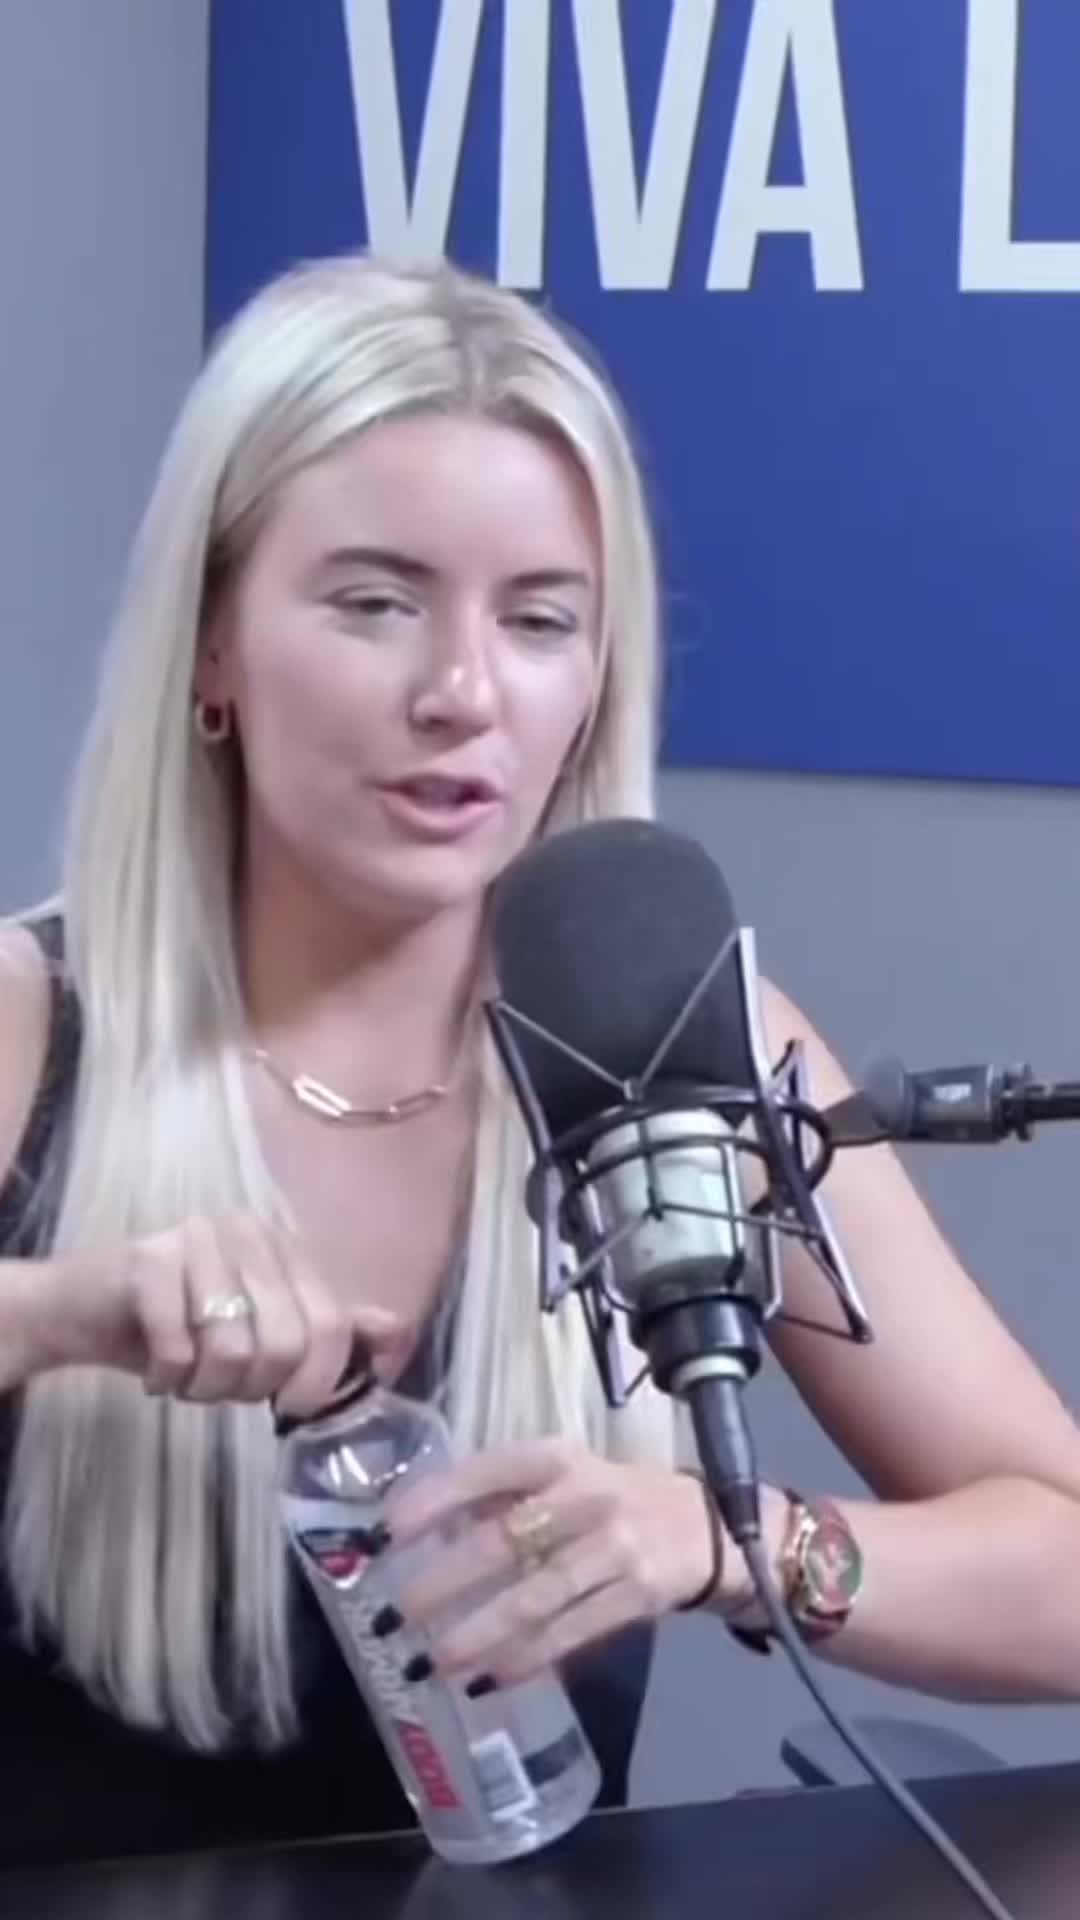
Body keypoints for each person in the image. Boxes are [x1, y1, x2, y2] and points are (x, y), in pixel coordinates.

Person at [1, 253, 1079, 1868]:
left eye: (539, 620)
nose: (462, 693)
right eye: (374, 604)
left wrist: (733, 1542)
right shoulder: (27, 1022)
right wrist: (61, 1313)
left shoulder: (689, 1053)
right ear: (211, 645)